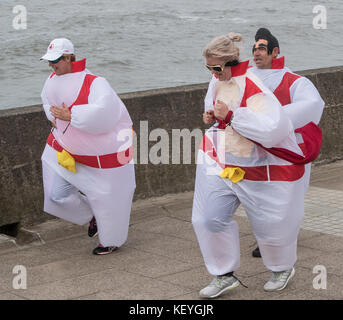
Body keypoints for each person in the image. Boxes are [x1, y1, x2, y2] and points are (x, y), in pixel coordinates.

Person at [192, 32, 318, 298]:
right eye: (208, 68)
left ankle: (282, 268)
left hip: (259, 166)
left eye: (216, 67)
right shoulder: (217, 81)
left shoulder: (253, 86)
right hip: (223, 162)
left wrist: (234, 115)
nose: (212, 73)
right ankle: (222, 274)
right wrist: (212, 115)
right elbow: (217, 111)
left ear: (231, 62)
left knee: (272, 224)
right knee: (207, 218)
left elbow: (274, 127)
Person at [40, 38, 135, 255]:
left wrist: (71, 115)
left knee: (107, 197)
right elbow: (47, 101)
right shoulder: (52, 79)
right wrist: (53, 116)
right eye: (48, 61)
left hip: (101, 154)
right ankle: (93, 216)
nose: (51, 65)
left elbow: (105, 114)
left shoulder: (95, 82)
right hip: (66, 149)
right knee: (57, 195)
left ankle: (110, 240)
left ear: (68, 57)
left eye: (55, 60)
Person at [249, 28, 325, 258]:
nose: (256, 52)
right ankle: (266, 239)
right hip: (258, 150)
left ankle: (283, 239)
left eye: (261, 48)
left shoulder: (295, 81)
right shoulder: (246, 79)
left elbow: (312, 105)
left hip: (288, 150)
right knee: (260, 196)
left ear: (275, 51)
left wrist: (274, 121)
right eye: (254, 48)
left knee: (287, 197)